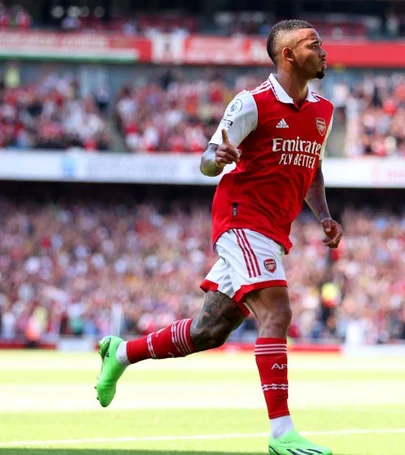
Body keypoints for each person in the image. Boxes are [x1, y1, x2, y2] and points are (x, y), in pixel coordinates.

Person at [95, 19, 341, 455]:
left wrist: (323, 214)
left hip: (274, 230)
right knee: (276, 313)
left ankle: (121, 353)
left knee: (210, 331)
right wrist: (218, 157)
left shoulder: (323, 110)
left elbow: (314, 168)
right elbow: (208, 160)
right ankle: (281, 433)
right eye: (313, 44)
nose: (324, 51)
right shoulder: (252, 103)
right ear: (288, 55)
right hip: (241, 220)